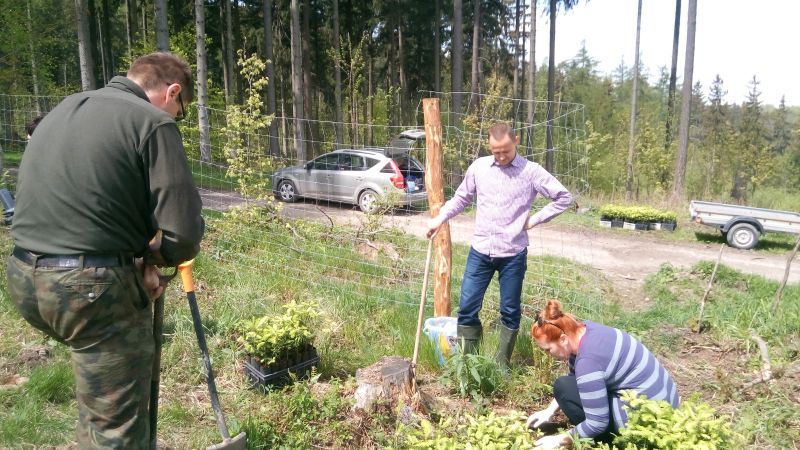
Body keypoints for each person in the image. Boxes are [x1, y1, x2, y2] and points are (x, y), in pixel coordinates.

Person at [6, 52, 204, 449]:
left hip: (24, 278)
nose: (177, 117)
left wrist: (133, 257)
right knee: (117, 430)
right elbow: (182, 234)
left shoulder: (65, 109)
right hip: (89, 290)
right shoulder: (153, 122)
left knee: (101, 403)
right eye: (181, 110)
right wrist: (153, 258)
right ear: (173, 92)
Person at [426, 123, 573, 370]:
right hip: (480, 252)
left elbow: (564, 197)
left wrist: (535, 220)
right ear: (489, 146)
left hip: (513, 254)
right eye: (496, 152)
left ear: (516, 140)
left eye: (506, 151)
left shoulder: (531, 171)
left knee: (510, 310)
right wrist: (439, 219)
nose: (501, 156)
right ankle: (468, 365)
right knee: (467, 307)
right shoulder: (479, 167)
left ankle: (500, 367)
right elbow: (461, 198)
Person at [526, 300, 680, 449]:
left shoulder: (588, 362)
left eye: (548, 349)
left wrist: (559, 440)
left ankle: (614, 441)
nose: (548, 354)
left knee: (563, 387)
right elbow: (575, 378)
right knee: (566, 386)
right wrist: (549, 411)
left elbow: (597, 423)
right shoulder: (585, 330)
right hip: (665, 402)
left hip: (649, 420)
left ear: (563, 339)